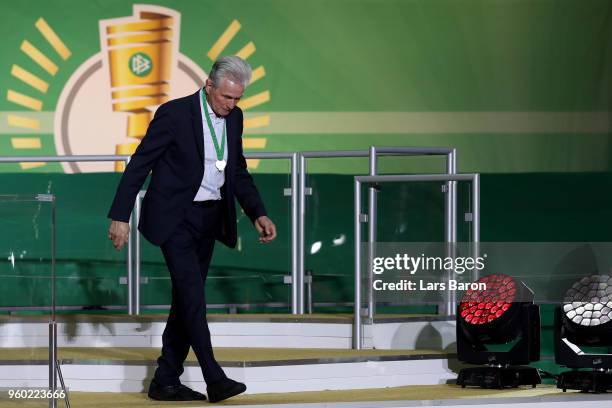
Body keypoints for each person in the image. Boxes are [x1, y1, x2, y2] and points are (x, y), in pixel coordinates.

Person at [107, 55, 277, 402]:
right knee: (193, 297)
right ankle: (213, 376)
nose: (231, 105)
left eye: (237, 99)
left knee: (186, 299)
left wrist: (258, 212)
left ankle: (166, 379)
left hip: (210, 218)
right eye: (225, 97)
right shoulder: (174, 114)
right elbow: (140, 164)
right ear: (209, 85)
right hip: (175, 218)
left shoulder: (235, 119)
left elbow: (238, 171)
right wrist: (120, 215)